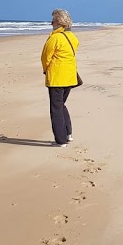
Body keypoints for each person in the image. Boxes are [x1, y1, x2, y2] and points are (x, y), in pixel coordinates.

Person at [41, 8, 79, 147]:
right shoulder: (72, 37)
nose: (51, 23)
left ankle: (61, 140)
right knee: (61, 105)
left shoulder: (55, 38)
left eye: (53, 21)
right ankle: (68, 134)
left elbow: (45, 57)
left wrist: (46, 70)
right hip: (70, 76)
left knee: (56, 108)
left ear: (58, 22)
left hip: (57, 78)